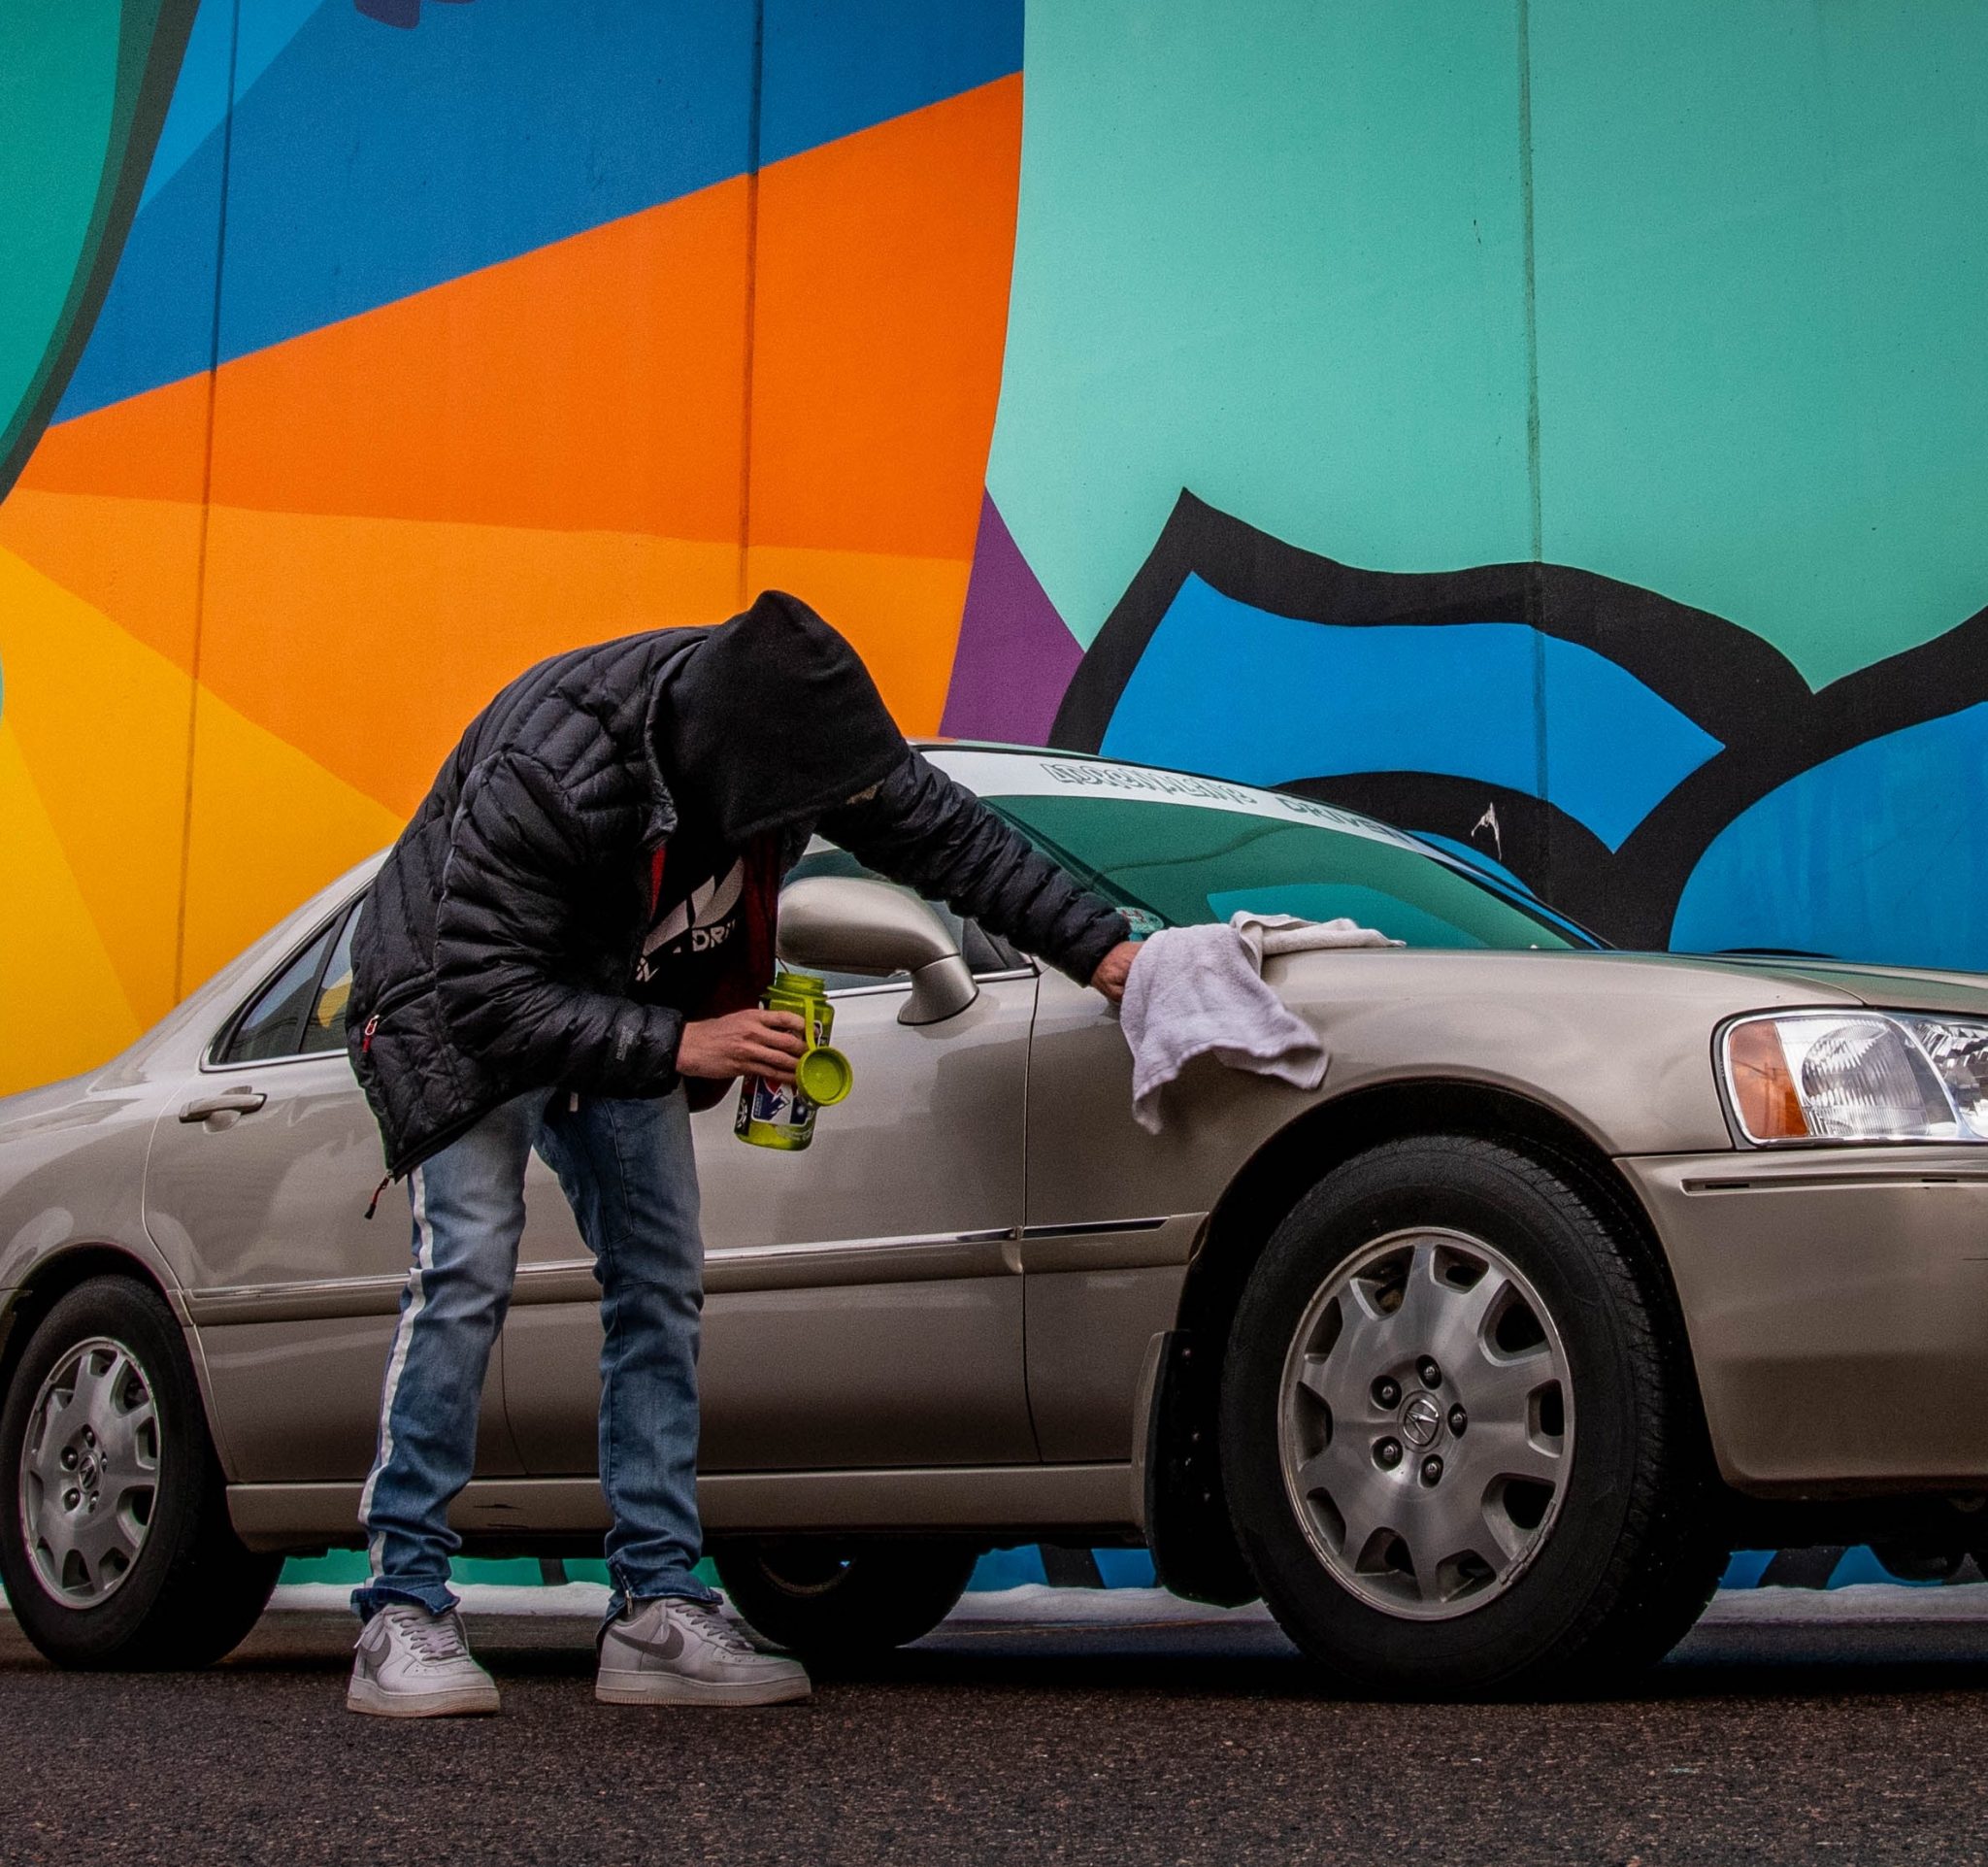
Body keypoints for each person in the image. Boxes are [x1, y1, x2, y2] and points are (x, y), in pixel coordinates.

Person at [340, 590, 1138, 1717]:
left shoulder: (793, 729)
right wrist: (685, 1039)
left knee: (659, 1283)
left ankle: (656, 1611)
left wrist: (1113, 957)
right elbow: (486, 989)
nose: (807, 827)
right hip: (459, 1003)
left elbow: (954, 840)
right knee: (469, 1267)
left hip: (617, 993)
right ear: (726, 768)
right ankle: (401, 1606)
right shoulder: (556, 766)